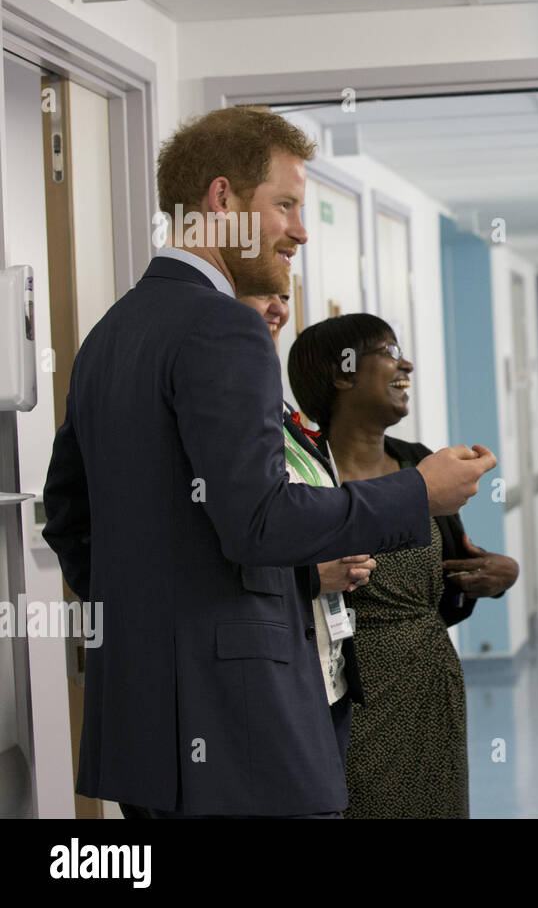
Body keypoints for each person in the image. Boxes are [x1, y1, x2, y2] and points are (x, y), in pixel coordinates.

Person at [42, 106, 497, 818]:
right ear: (222, 200)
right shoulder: (223, 325)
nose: (301, 230)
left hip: (145, 729)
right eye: (284, 204)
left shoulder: (112, 331)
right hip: (240, 732)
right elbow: (259, 520)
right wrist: (418, 492)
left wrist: (152, 622)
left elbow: (69, 516)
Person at [288, 313, 518, 818]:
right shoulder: (307, 481)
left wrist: (500, 576)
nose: (405, 365)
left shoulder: (421, 465)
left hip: (432, 685)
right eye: (389, 352)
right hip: (349, 693)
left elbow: (457, 570)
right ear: (343, 374)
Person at [239, 291, 376, 769]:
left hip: (329, 671)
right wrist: (313, 576)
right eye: (261, 295)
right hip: (270, 682)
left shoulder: (284, 417)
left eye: (283, 296)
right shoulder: (218, 421)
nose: (279, 309)